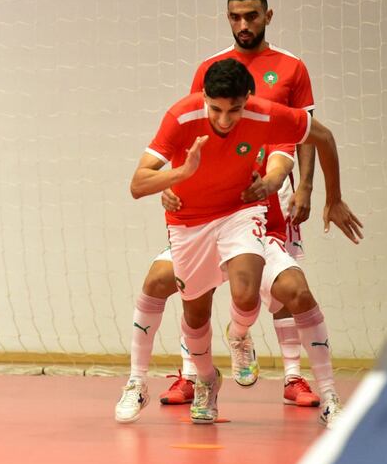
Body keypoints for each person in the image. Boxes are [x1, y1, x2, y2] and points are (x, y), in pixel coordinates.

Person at [128, 58, 361, 424]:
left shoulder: (267, 116)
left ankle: (247, 341)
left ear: (248, 99)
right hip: (189, 224)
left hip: (242, 215)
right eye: (216, 110)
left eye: (234, 110)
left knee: (250, 292)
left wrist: (331, 197)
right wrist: (182, 173)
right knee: (194, 311)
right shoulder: (181, 117)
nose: (224, 120)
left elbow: (323, 138)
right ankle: (204, 379)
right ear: (203, 96)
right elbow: (138, 184)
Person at [128, 0, 326, 408]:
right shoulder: (210, 68)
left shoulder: (291, 67)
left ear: (267, 16)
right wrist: (172, 184)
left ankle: (292, 375)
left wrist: (306, 186)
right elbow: (191, 134)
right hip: (208, 202)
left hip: (268, 191)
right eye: (235, 16)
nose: (243, 24)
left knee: (276, 286)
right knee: (196, 283)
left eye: (251, 15)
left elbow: (305, 134)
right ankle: (193, 375)